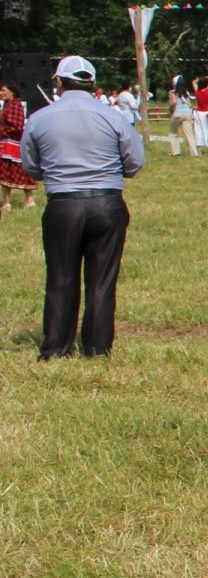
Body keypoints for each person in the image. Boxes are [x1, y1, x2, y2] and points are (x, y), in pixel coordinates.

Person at [21, 56, 146, 358]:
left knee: (61, 276)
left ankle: (56, 348)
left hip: (63, 204)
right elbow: (135, 161)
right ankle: (98, 346)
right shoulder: (113, 116)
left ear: (59, 83)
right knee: (102, 278)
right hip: (107, 201)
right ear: (92, 84)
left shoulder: (40, 118)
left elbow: (30, 165)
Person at [0, 81, 37, 211]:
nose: (1, 93)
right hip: (6, 144)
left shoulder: (15, 105)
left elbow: (16, 126)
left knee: (21, 172)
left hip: (14, 144)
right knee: (5, 173)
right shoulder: (8, 105)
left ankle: (29, 201)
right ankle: (5, 203)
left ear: (12, 91)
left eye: (3, 90)